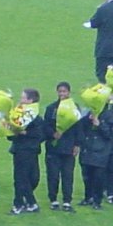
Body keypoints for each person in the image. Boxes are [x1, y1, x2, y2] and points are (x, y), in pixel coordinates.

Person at [43, 82, 80, 212]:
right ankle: (53, 199)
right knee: (52, 175)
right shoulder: (51, 108)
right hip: (53, 148)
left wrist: (77, 145)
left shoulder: (75, 108)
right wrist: (53, 134)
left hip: (69, 148)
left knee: (68, 175)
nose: (62, 94)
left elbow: (78, 128)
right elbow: (45, 125)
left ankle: (67, 201)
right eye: (60, 91)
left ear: (69, 92)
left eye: (64, 91)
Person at [8, 89, 44, 215]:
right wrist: (13, 130)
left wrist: (26, 132)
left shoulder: (36, 118)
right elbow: (10, 136)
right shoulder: (17, 116)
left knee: (33, 178)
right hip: (20, 150)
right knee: (21, 178)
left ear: (30, 101)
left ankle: (26, 202)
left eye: (23, 98)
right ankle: (20, 204)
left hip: (32, 151)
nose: (20, 100)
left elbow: (41, 135)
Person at [78, 111, 112, 210]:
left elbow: (110, 134)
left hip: (101, 151)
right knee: (87, 177)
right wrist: (87, 119)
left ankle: (97, 201)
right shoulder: (88, 114)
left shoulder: (109, 115)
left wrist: (100, 124)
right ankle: (88, 197)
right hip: (87, 150)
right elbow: (80, 127)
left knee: (98, 178)